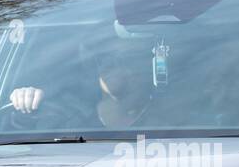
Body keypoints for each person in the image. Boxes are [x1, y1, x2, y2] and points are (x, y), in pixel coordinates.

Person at [8, 34, 156, 129]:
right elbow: (16, 138)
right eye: (106, 60)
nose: (108, 67)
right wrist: (24, 105)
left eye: (129, 60)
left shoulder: (168, 118)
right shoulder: (63, 115)